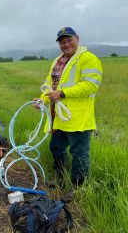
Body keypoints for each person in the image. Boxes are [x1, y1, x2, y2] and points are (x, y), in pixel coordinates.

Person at [34, 27, 103, 186]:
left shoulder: (88, 59)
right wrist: (42, 100)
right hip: (58, 118)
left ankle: (78, 187)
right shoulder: (57, 61)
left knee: (79, 154)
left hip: (77, 119)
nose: (66, 44)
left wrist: (63, 93)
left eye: (69, 40)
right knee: (56, 148)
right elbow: (49, 85)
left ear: (77, 38)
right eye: (62, 42)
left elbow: (90, 85)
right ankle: (60, 180)